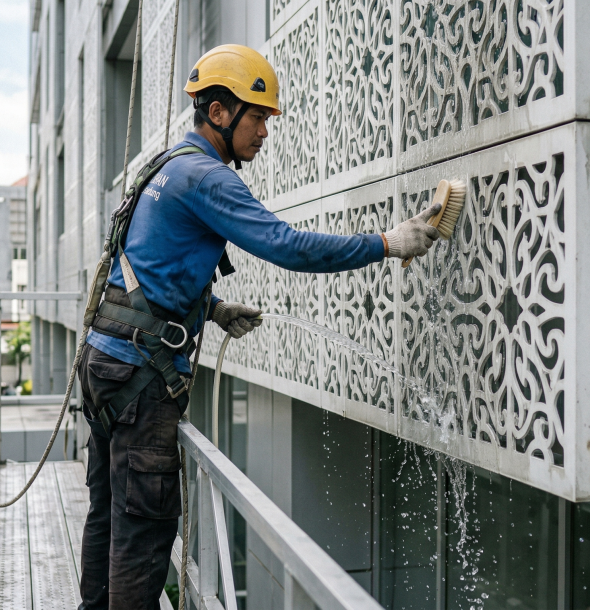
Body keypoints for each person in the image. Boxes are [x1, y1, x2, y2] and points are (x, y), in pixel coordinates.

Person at [78, 44, 440, 609]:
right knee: (143, 530)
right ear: (218, 112)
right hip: (138, 384)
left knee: (108, 514)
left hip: (105, 365)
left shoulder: (167, 167)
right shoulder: (208, 178)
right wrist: (388, 243)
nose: (265, 133)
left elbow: (150, 263)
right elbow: (287, 246)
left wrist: (213, 309)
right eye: (258, 117)